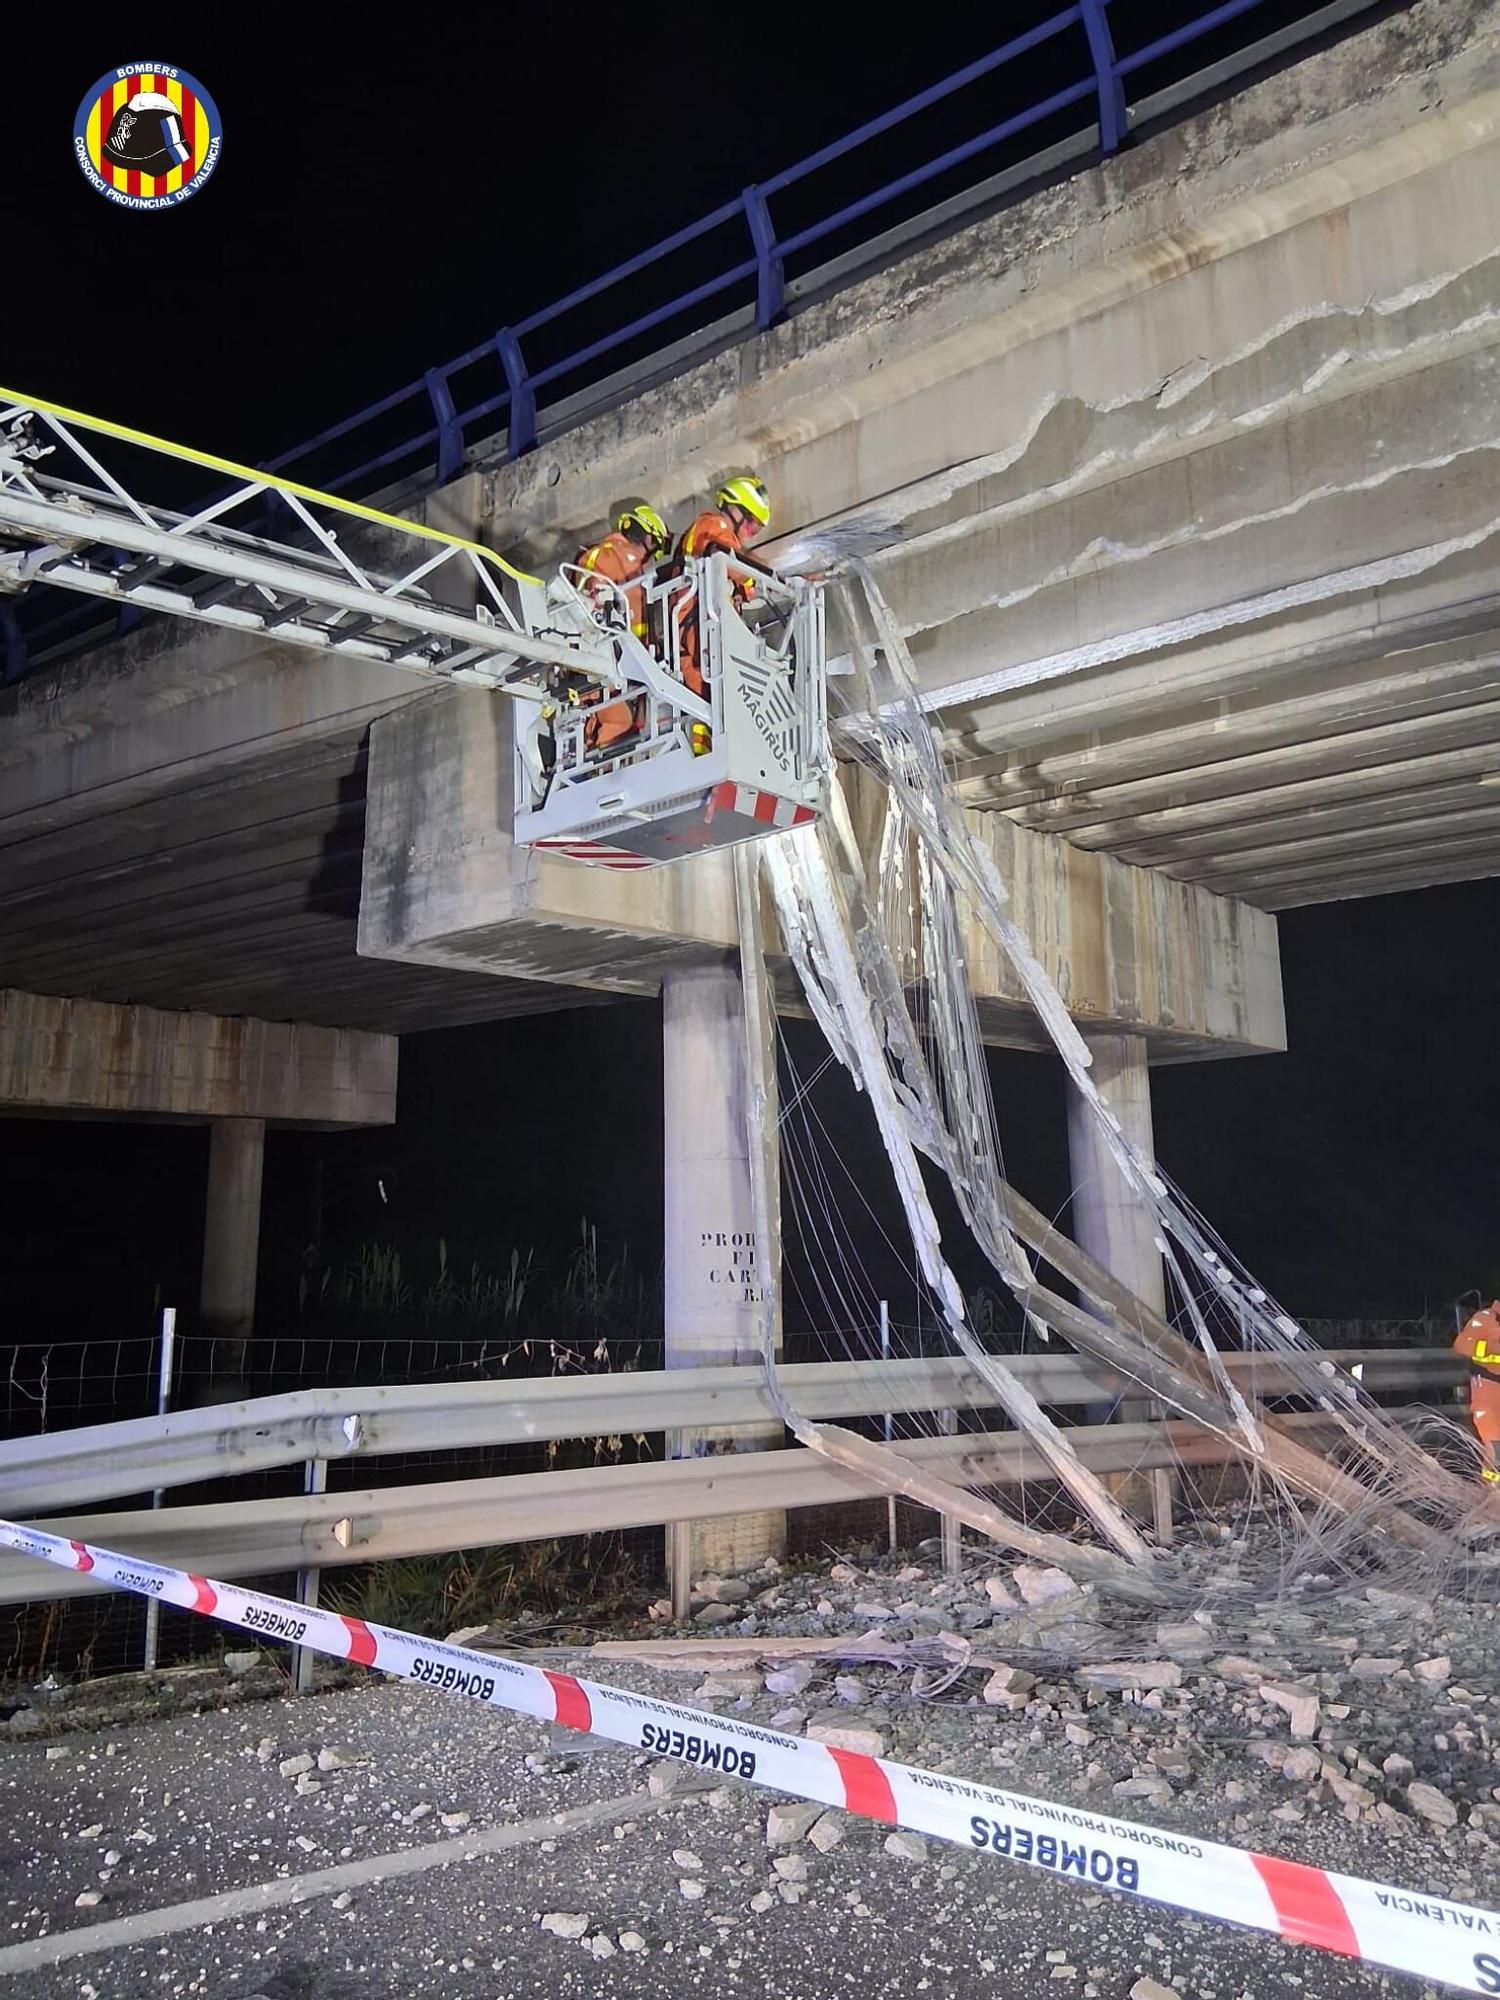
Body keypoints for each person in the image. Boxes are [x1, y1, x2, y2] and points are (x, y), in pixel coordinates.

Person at [672, 475, 772, 754]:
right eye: (752, 523)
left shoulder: (711, 530)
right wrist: (752, 581)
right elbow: (725, 558)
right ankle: (707, 752)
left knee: (706, 693)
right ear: (735, 510)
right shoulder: (714, 525)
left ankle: (706, 752)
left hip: (696, 622)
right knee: (711, 686)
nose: (752, 532)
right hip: (698, 621)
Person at [573, 503, 671, 753]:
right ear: (648, 536)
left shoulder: (599, 555)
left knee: (607, 717)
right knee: (619, 721)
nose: (649, 560)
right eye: (654, 549)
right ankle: (599, 772)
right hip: (605, 656)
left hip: (598, 656)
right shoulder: (621, 557)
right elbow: (631, 617)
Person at [1453, 1302, 1500, 1484]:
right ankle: (1491, 1494)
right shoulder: (1484, 1319)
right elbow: (1462, 1344)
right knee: (1496, 1446)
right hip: (1486, 1391)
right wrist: (1490, 1348)